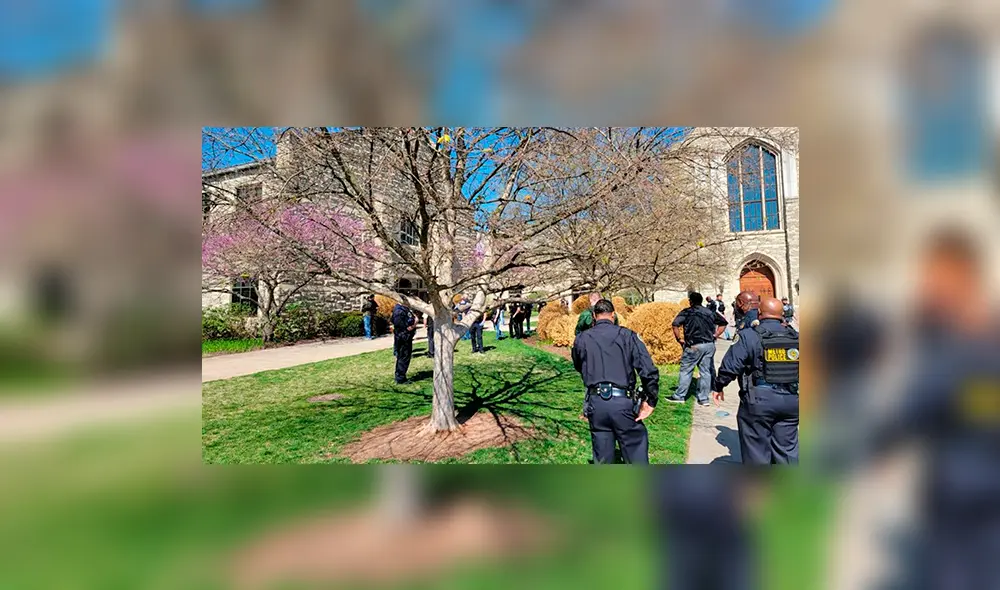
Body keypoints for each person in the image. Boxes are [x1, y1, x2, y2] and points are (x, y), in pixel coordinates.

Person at [572, 299, 660, 464]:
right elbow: (648, 370)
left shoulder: (582, 338)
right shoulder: (627, 336)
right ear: (613, 315)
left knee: (603, 457)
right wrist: (651, 400)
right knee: (635, 452)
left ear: (594, 316)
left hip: (596, 403)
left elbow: (578, 365)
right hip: (622, 403)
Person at [712, 297, 799, 465]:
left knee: (756, 452)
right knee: (787, 451)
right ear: (782, 314)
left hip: (759, 400)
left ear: (759, 313)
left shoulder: (749, 336)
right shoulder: (796, 337)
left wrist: (719, 385)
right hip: (791, 399)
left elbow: (731, 365)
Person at [664, 292, 728, 406]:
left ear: (690, 301)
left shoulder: (687, 312)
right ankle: (704, 399)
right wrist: (716, 335)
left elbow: (675, 324)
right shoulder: (709, 312)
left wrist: (679, 339)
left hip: (694, 345)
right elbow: (723, 323)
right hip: (709, 345)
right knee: (706, 372)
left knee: (686, 370)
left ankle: (680, 395)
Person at [391, 302, 417, 384]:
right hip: (403, 338)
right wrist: (414, 325)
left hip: (406, 337)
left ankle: (401, 376)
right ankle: (400, 378)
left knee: (405, 357)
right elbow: (401, 327)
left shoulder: (405, 309)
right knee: (403, 357)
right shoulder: (399, 311)